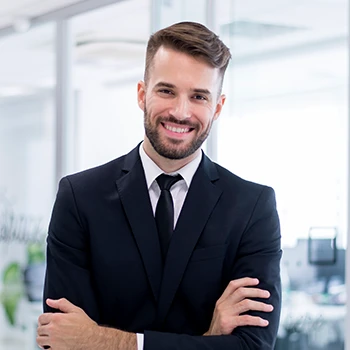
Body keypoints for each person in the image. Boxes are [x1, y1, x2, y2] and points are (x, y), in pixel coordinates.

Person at [37, 21, 281, 350]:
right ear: (142, 94)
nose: (180, 112)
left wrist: (105, 340)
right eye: (166, 91)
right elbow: (63, 339)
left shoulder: (253, 207)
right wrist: (208, 340)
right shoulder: (80, 198)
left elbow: (252, 346)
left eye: (198, 96)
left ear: (218, 107)